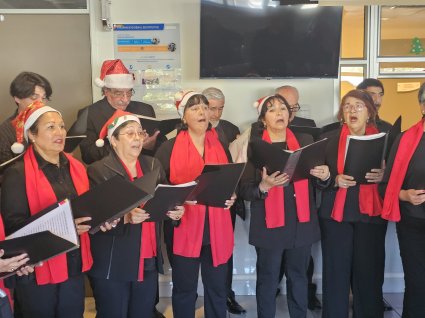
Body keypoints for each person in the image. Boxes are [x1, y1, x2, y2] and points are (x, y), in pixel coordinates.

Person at [87, 110, 184, 318]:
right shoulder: (97, 170)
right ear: (113, 140)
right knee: (114, 313)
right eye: (129, 133)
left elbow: (164, 199)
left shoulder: (152, 164)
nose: (137, 138)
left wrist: (175, 210)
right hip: (113, 260)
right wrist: (126, 217)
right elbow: (94, 217)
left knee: (142, 312)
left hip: (147, 255)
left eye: (140, 133)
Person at [0, 101, 93, 317]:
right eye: (50, 127)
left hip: (74, 262)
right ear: (32, 135)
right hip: (37, 269)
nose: (60, 132)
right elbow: (14, 226)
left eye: (61, 126)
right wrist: (65, 226)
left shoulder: (76, 167)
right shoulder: (17, 173)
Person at [238, 94, 327, 318]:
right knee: (268, 278)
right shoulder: (254, 147)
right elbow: (245, 190)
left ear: (290, 114)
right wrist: (264, 186)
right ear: (263, 120)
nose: (279, 113)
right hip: (270, 224)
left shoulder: (306, 140)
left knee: (299, 277)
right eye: (272, 109)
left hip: (301, 222)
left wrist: (325, 175)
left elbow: (319, 182)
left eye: (283, 108)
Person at [155, 90, 236, 318]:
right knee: (184, 290)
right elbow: (158, 191)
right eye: (194, 108)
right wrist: (172, 207)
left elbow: (230, 181)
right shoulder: (168, 149)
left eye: (204, 107)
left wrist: (232, 196)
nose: (202, 112)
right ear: (183, 117)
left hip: (216, 229)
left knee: (217, 289)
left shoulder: (220, 143)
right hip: (184, 228)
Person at [318, 89, 386, 318]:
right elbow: (317, 180)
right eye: (347, 106)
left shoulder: (385, 140)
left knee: (368, 273)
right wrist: (333, 179)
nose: (352, 110)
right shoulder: (327, 140)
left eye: (358, 105)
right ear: (342, 113)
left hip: (370, 214)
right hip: (336, 215)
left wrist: (383, 176)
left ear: (369, 112)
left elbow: (398, 177)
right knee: (335, 274)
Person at [380, 82, 425, 317]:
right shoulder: (405, 139)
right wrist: (404, 195)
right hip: (412, 222)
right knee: (417, 282)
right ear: (421, 106)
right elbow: (386, 187)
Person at [275, 85, 321, 310]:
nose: (286, 111)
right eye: (282, 105)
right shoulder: (256, 131)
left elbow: (317, 169)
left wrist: (323, 174)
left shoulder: (308, 130)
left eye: (292, 107)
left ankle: (306, 298)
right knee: (270, 268)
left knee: (301, 267)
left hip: (301, 210)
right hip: (272, 213)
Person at [202, 87, 245, 315]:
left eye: (220, 109)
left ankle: (227, 295)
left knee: (224, 253)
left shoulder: (230, 129)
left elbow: (238, 166)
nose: (216, 114)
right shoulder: (189, 130)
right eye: (211, 108)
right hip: (200, 203)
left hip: (226, 201)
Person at [78, 59, 162, 165]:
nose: (125, 99)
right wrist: (122, 145)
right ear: (106, 91)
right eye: (118, 93)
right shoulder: (89, 113)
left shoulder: (146, 110)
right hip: (108, 173)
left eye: (129, 92)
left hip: (144, 169)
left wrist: (151, 145)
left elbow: (162, 147)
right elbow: (88, 156)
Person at [0, 71, 52, 167]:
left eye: (44, 98)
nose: (40, 103)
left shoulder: (51, 122)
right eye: (34, 97)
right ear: (17, 98)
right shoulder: (4, 131)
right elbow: (5, 172)